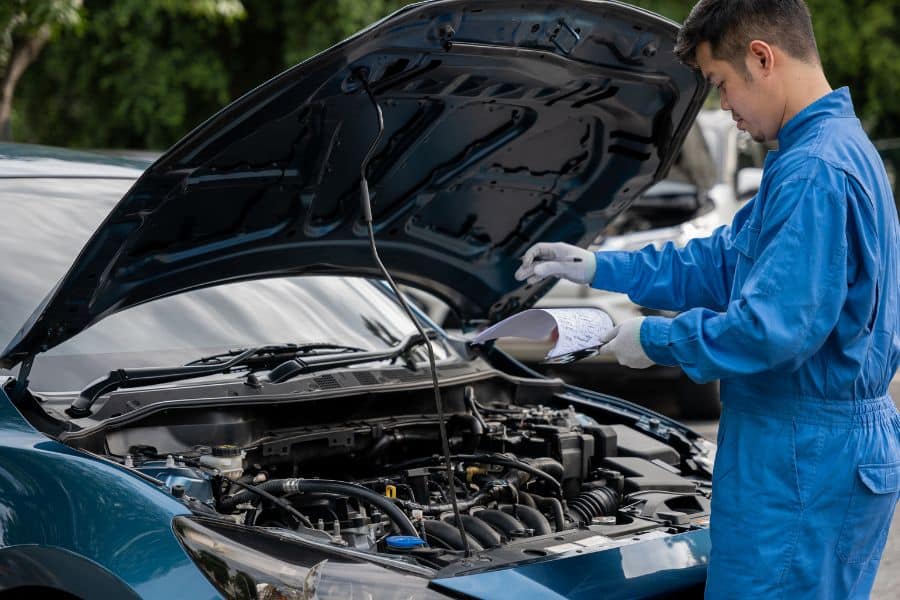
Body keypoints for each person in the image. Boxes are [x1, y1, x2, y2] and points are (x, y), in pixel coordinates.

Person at [515, 0, 899, 597]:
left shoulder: (814, 170)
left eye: (721, 84)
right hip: (809, 450)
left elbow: (771, 329)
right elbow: (721, 261)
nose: (728, 110)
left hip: (800, 456)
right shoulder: (823, 151)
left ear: (762, 59)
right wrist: (598, 265)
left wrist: (652, 339)